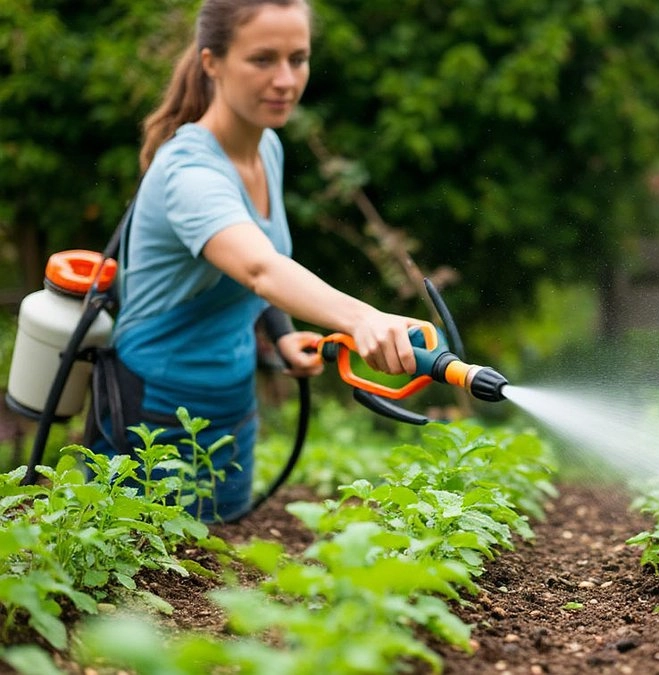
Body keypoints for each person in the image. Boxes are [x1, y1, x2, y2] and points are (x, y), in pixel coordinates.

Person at [89, 0, 423, 522]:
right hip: (152, 418)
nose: (286, 80)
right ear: (212, 62)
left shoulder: (267, 146)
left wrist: (282, 330)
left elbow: (252, 257)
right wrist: (362, 318)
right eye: (262, 60)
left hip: (232, 415)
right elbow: (258, 268)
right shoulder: (188, 172)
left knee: (223, 578)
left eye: (299, 58)